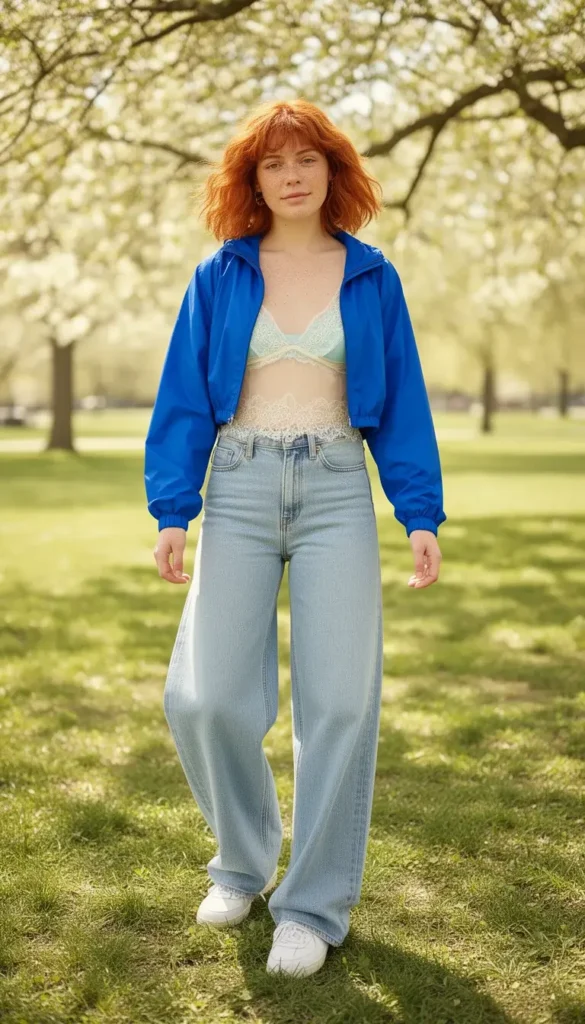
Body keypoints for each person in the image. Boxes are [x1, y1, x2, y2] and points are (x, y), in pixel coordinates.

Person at [144, 98, 446, 977]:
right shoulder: (221, 274)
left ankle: (310, 906)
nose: (291, 175)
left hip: (335, 491)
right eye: (273, 163)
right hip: (235, 487)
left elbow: (405, 406)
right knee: (205, 698)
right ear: (253, 179)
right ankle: (242, 861)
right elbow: (182, 399)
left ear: (331, 170)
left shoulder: (371, 276)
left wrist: (417, 511)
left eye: (306, 158)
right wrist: (173, 510)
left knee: (340, 704)